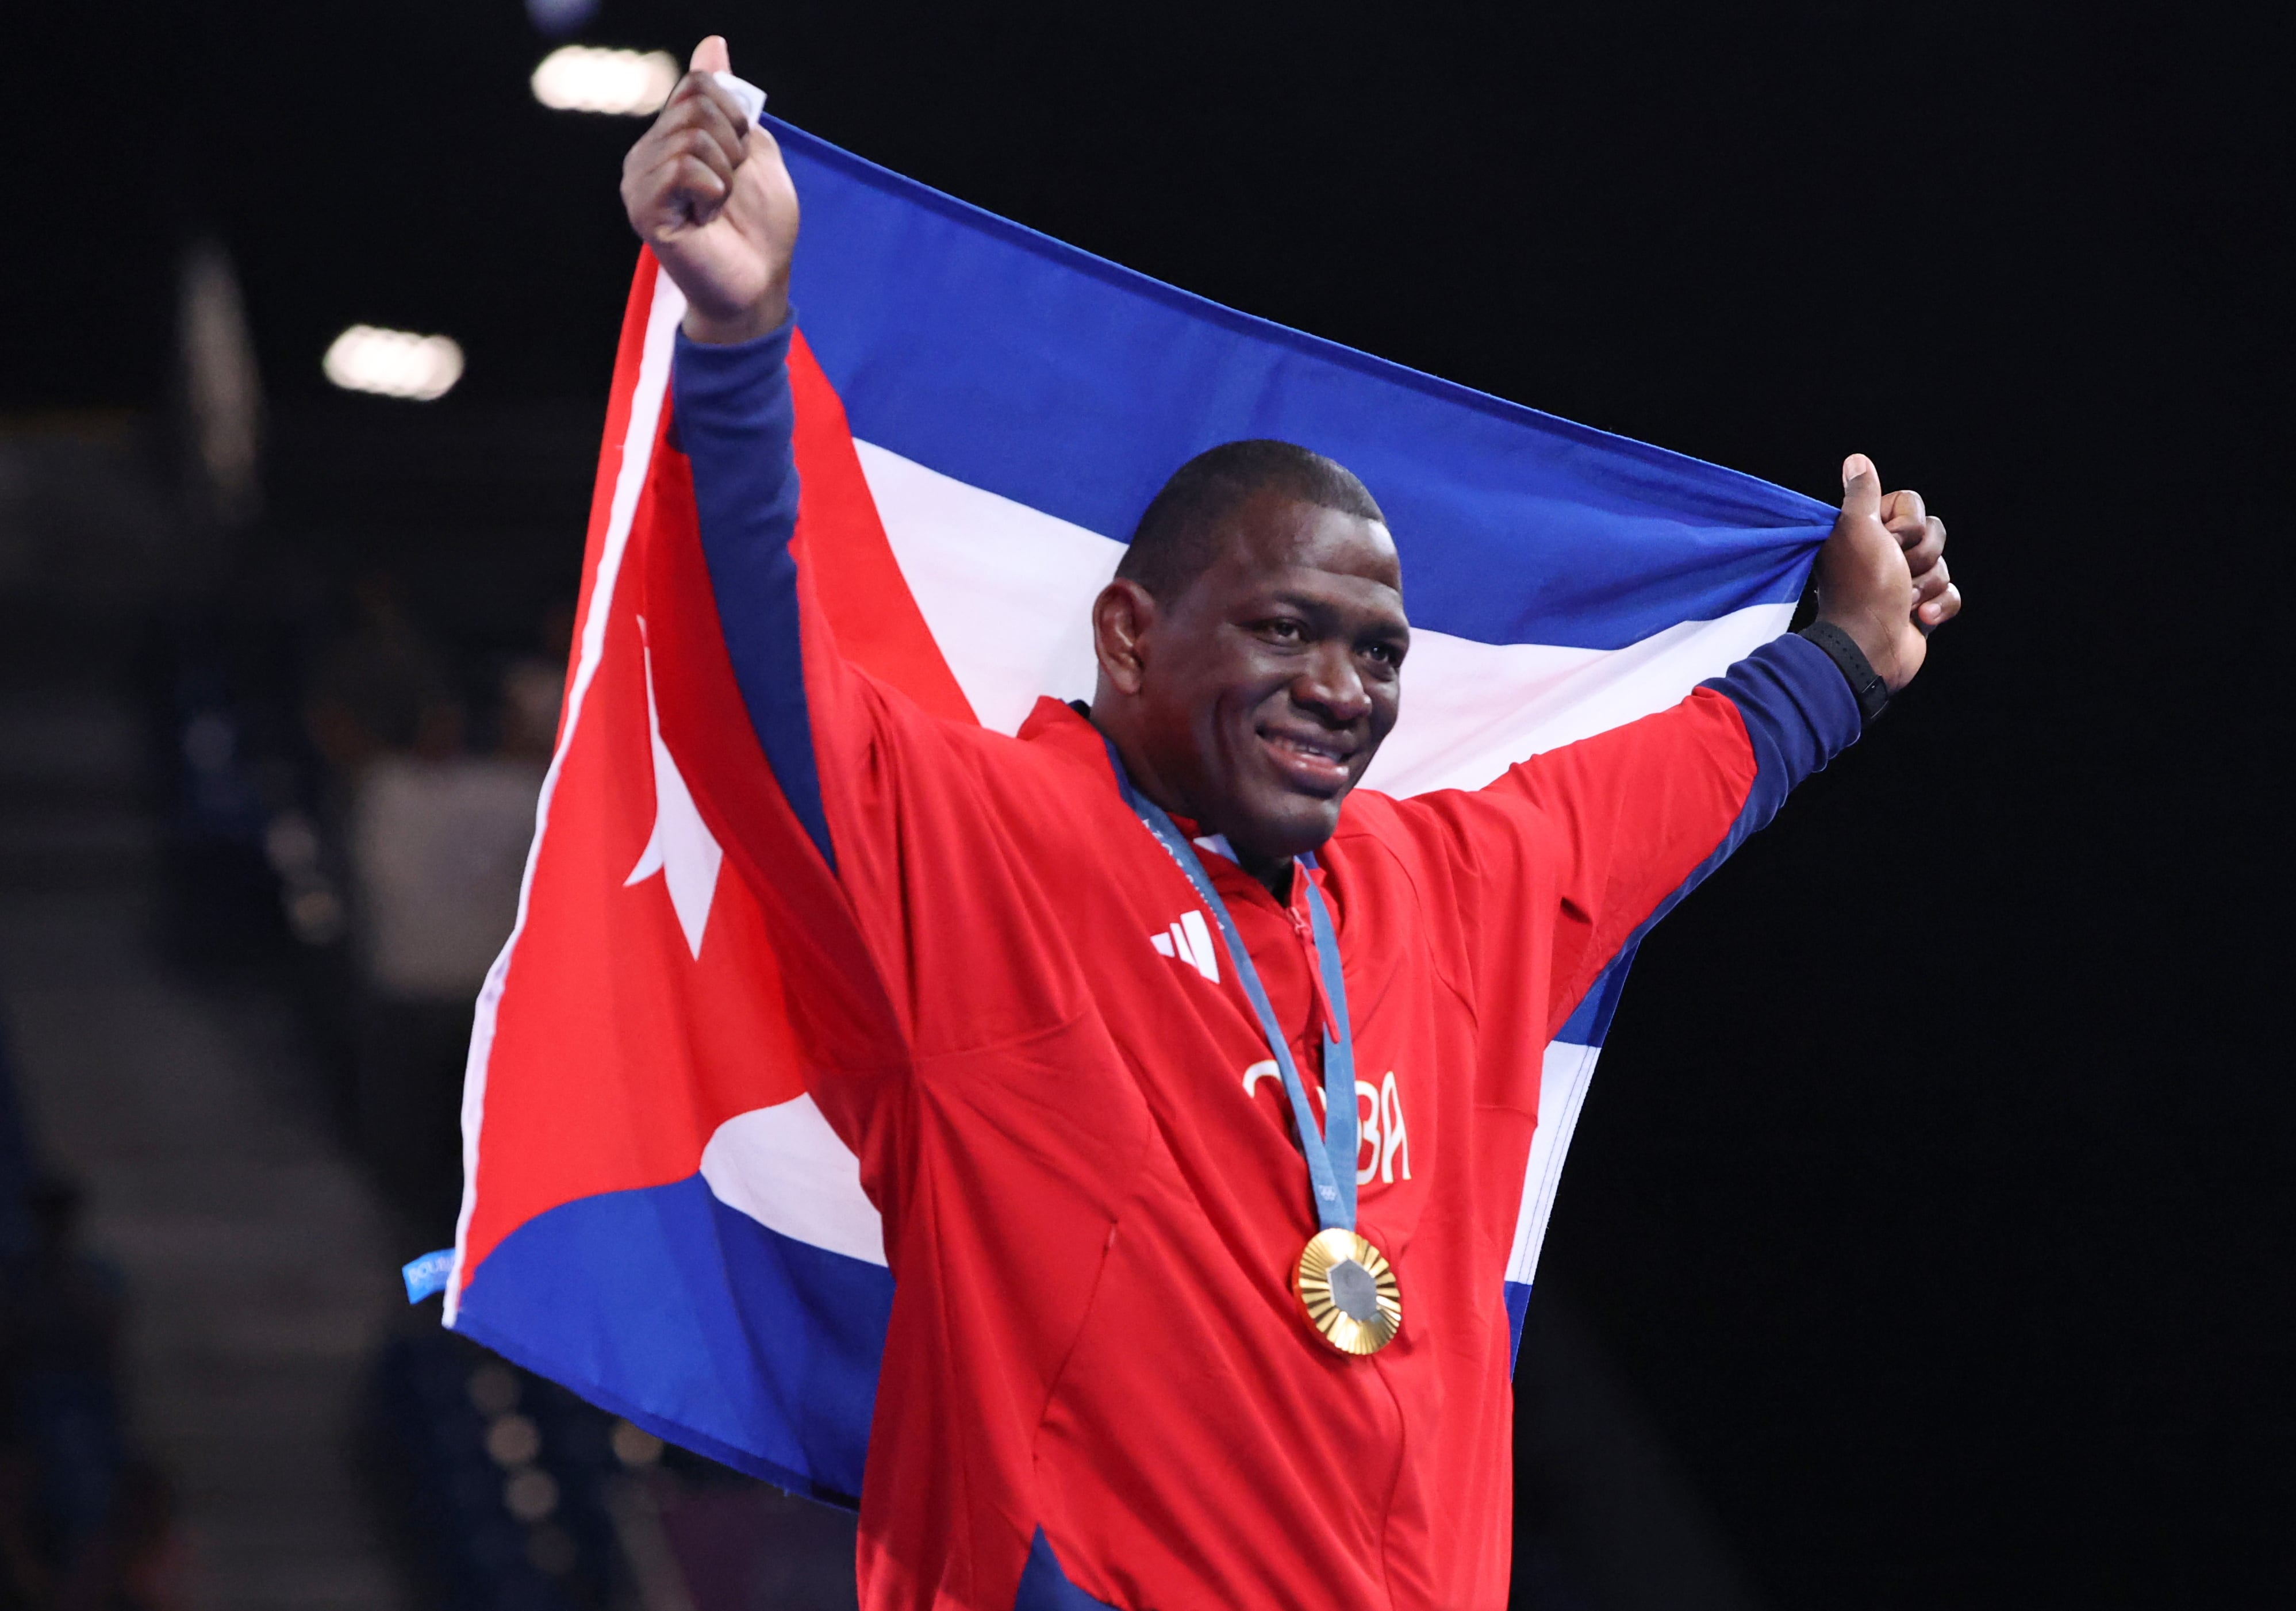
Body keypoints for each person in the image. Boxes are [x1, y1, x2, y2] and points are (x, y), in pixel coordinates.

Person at [617, 36, 1960, 1611]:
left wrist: (1848, 660)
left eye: (1378, 651)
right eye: (1286, 629)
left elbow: (1680, 776)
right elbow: (748, 678)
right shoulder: (985, 851)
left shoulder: (1444, 886)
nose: (1342, 686)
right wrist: (732, 330)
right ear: (1128, 634)